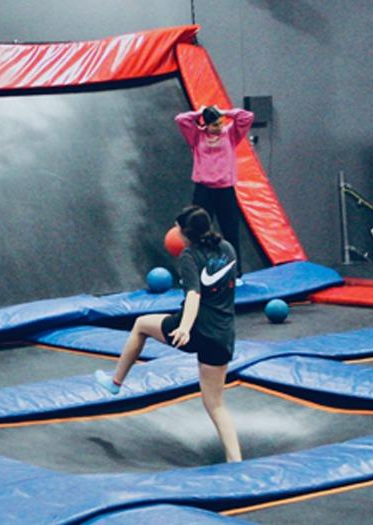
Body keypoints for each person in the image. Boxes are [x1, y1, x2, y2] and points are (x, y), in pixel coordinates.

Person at [94, 206, 242, 463]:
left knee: (140, 324)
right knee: (216, 404)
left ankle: (115, 383)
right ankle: (235, 460)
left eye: (177, 227)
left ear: (185, 233)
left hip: (194, 328)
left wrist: (184, 327)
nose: (173, 232)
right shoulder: (227, 248)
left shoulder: (189, 256)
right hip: (223, 333)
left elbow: (194, 296)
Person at [177, 104, 254, 263]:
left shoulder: (230, 134)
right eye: (214, 125)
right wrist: (199, 113)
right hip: (204, 190)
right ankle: (199, 268)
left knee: (231, 231)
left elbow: (247, 117)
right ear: (206, 124)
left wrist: (224, 112)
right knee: (197, 232)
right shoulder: (196, 136)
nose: (219, 127)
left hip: (225, 190)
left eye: (220, 123)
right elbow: (180, 119)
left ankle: (235, 272)